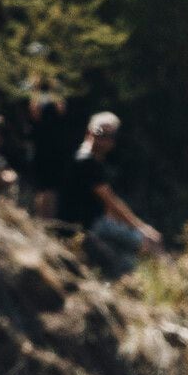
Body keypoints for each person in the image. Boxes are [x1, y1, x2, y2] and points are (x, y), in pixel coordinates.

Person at [57, 111, 162, 274]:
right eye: (100, 133)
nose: (104, 139)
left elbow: (105, 206)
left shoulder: (88, 159)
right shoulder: (86, 161)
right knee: (148, 241)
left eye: (110, 135)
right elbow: (111, 202)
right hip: (85, 226)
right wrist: (141, 228)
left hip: (91, 224)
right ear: (89, 131)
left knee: (129, 262)